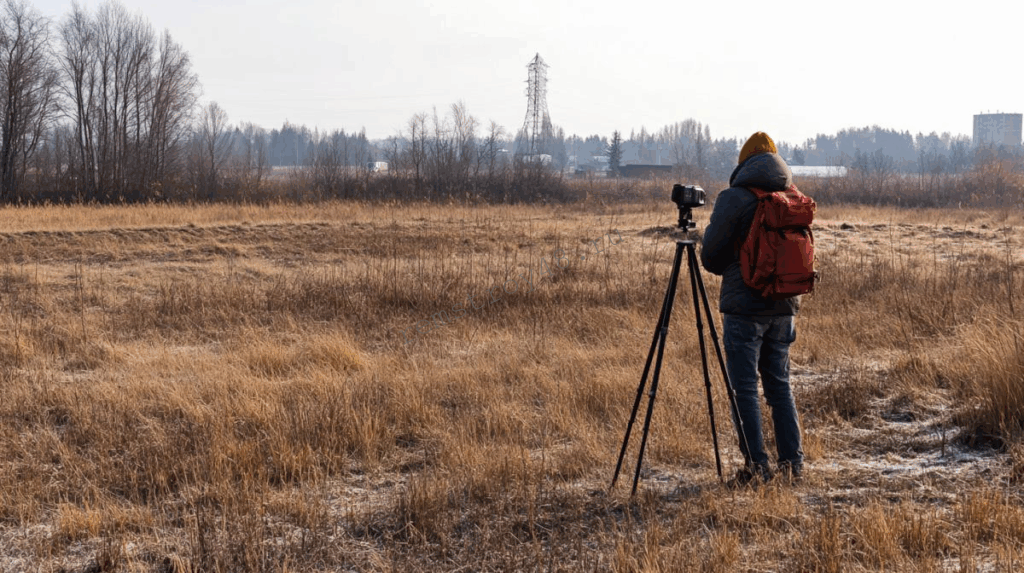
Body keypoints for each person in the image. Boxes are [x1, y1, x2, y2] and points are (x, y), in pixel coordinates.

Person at [700, 131, 804, 485]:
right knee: (780, 386)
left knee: (744, 389)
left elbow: (710, 257)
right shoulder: (792, 197)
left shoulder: (734, 198)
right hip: (785, 307)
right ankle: (794, 466)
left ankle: (757, 468)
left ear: (744, 163)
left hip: (744, 309)